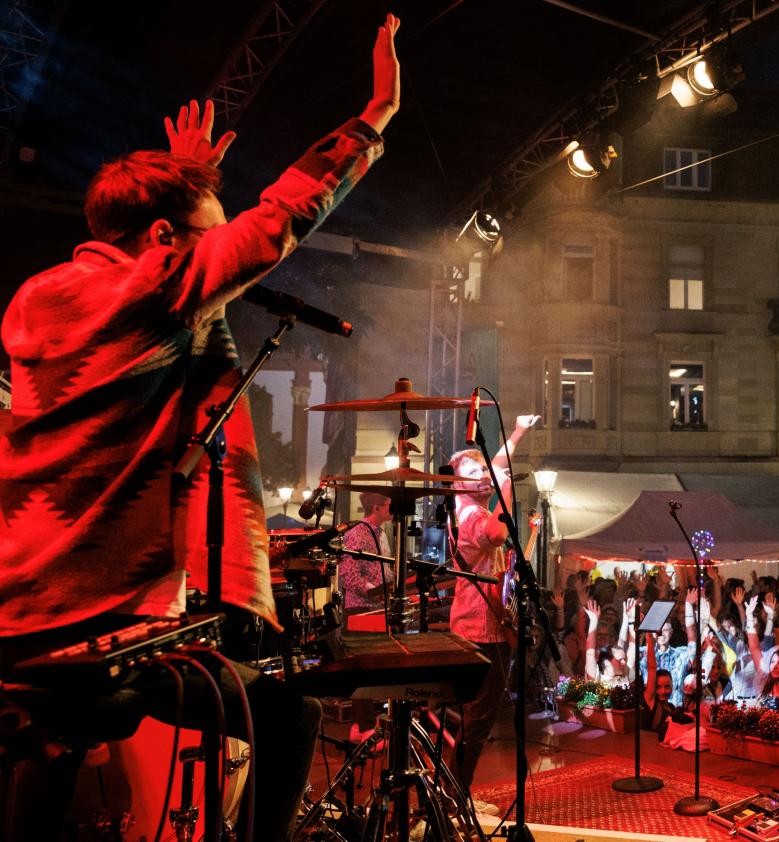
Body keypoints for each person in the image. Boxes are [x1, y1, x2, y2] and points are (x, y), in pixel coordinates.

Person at [0, 16, 401, 840]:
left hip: (18, 610)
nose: (213, 262)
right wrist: (375, 116)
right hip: (98, 616)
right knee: (286, 718)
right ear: (160, 243)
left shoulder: (36, 298)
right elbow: (280, 217)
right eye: (201, 243)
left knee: (54, 746)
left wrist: (188, 182)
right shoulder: (149, 296)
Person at [448, 413, 539, 796]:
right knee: (478, 721)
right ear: (459, 483)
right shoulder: (470, 515)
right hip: (481, 627)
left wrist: (517, 431)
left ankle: (454, 791)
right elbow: (498, 533)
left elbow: (496, 461)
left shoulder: (470, 502)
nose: (486, 474)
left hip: (480, 622)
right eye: (476, 472)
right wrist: (506, 492)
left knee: (474, 720)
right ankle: (454, 796)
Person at [338, 491, 394, 616]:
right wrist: (375, 592)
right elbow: (350, 575)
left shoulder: (382, 533)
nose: (394, 508)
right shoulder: (356, 534)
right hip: (360, 608)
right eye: (390, 504)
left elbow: (383, 570)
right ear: (377, 508)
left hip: (378, 607)